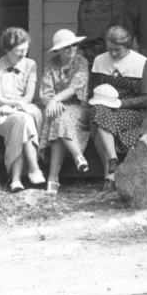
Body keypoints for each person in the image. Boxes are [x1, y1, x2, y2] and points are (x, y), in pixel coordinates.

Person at [86, 24, 147, 182]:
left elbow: (146, 98)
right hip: (103, 106)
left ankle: (109, 175)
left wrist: (119, 104)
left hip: (130, 108)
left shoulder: (140, 62)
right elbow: (92, 91)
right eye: (110, 49)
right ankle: (112, 160)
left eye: (117, 49)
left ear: (126, 45)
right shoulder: (100, 60)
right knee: (97, 112)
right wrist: (106, 101)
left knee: (99, 123)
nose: (113, 53)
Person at [0, 27, 45, 191]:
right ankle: (34, 168)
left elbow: (29, 97)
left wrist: (16, 107)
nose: (23, 54)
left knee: (23, 120)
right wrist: (14, 106)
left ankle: (16, 179)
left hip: (23, 110)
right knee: (23, 120)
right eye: (18, 51)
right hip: (0, 114)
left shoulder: (30, 64)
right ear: (7, 50)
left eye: (25, 49)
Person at [38, 27, 92, 194]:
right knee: (58, 118)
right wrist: (51, 102)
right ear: (59, 50)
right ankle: (78, 156)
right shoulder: (51, 65)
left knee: (58, 119)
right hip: (57, 107)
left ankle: (53, 179)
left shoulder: (81, 62)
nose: (72, 49)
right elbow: (44, 93)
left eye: (74, 45)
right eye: (67, 47)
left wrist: (55, 99)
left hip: (79, 107)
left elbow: (75, 87)